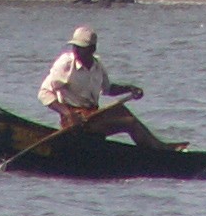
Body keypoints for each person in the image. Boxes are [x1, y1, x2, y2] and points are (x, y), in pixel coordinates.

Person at [37, 25, 175, 150]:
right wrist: (68, 113)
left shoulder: (97, 65)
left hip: (92, 116)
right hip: (76, 122)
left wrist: (130, 89)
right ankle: (155, 152)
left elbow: (108, 89)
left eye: (81, 48)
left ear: (92, 49)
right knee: (130, 123)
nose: (76, 50)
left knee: (121, 110)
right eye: (75, 47)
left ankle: (158, 147)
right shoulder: (66, 64)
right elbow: (44, 93)